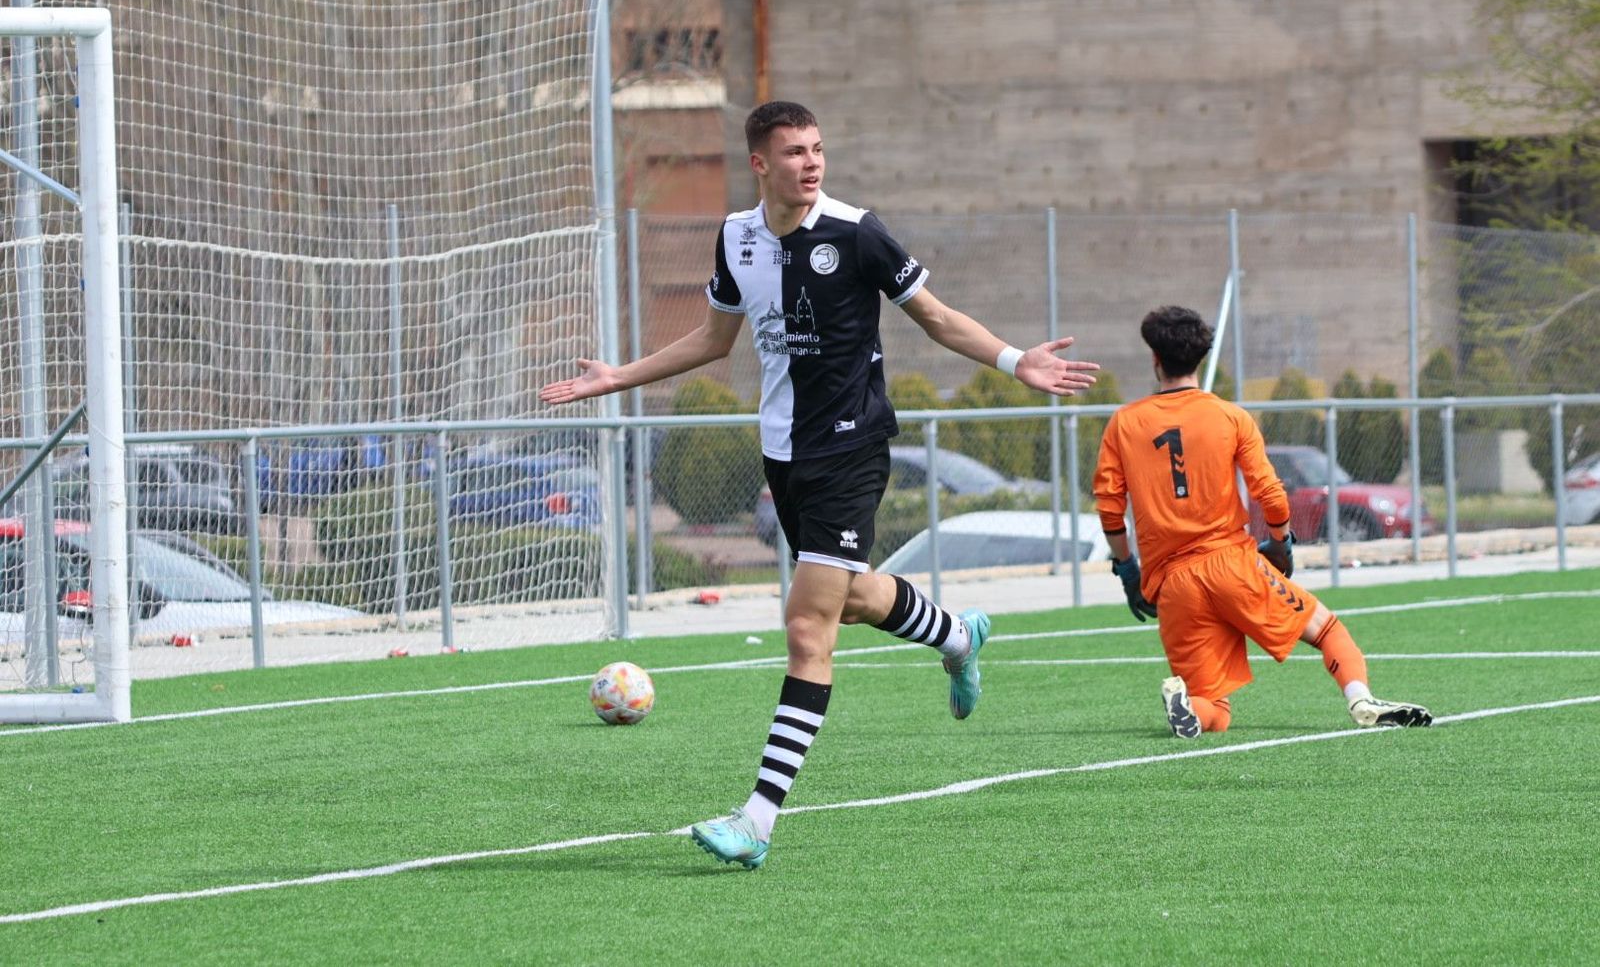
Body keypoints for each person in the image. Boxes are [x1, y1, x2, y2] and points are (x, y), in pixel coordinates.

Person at [540, 101, 1100, 868]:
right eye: (794, 152)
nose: (812, 162)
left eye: (818, 149)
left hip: (852, 448)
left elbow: (934, 317)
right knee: (858, 594)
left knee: (808, 628)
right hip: (785, 454)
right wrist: (618, 377)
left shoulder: (856, 231)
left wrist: (1013, 360)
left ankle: (757, 821)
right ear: (760, 164)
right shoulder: (736, 236)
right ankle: (959, 636)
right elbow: (713, 338)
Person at [1091, 305, 1432, 738]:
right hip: (1231, 564)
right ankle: (1361, 699)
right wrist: (1281, 543)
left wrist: (1127, 571)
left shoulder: (1124, 423)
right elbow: (1270, 492)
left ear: (1155, 359)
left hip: (1174, 583)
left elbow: (1109, 506)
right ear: (1197, 359)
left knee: (1214, 708)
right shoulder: (1231, 417)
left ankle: (1188, 707)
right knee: (1326, 628)